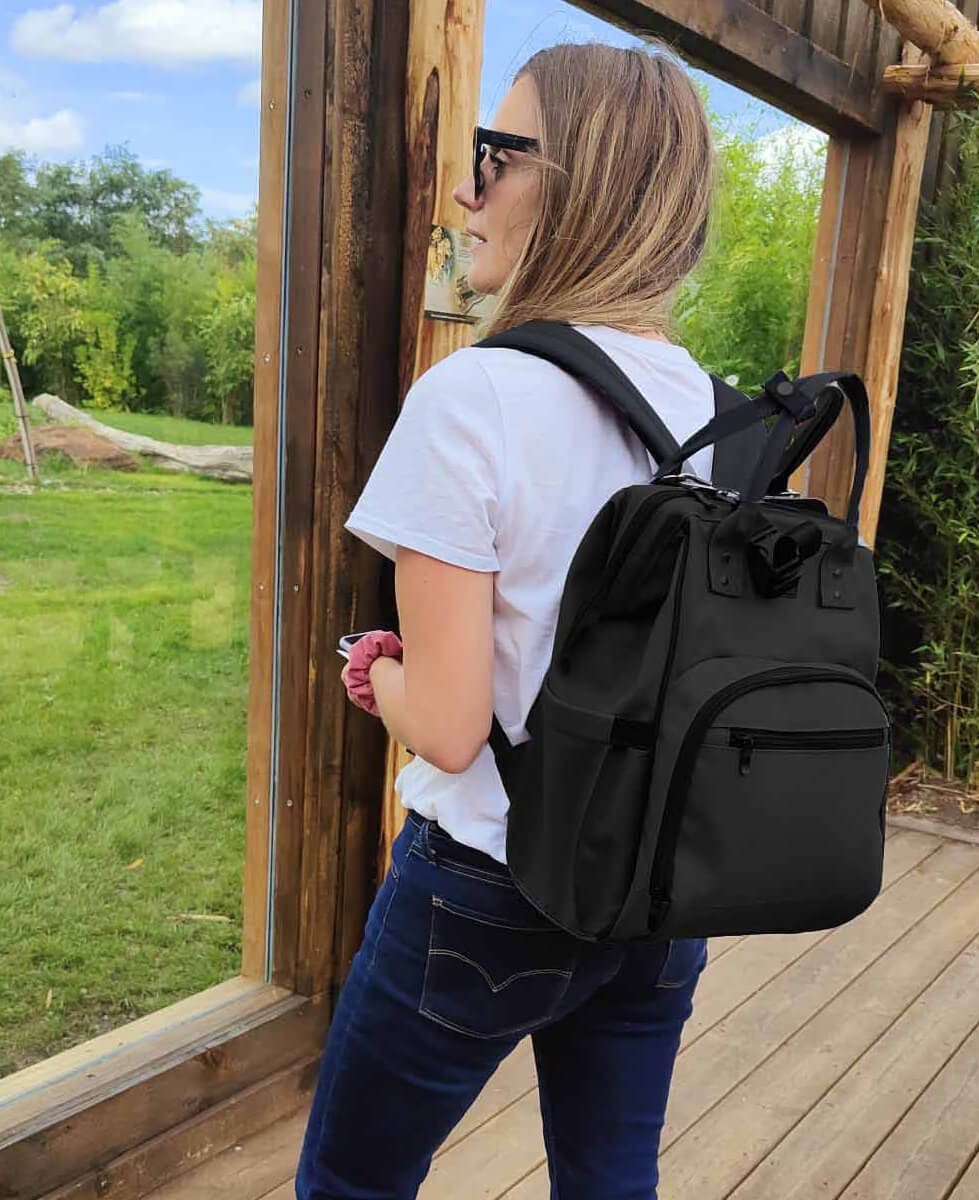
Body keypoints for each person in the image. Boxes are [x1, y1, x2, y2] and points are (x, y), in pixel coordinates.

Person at [295, 39, 720, 1200]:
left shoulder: (473, 397)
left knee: (352, 1185)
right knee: (610, 1180)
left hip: (487, 889)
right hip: (660, 889)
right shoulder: (716, 410)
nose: (461, 189)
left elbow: (448, 728)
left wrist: (371, 669)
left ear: (579, 183)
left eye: (493, 155)